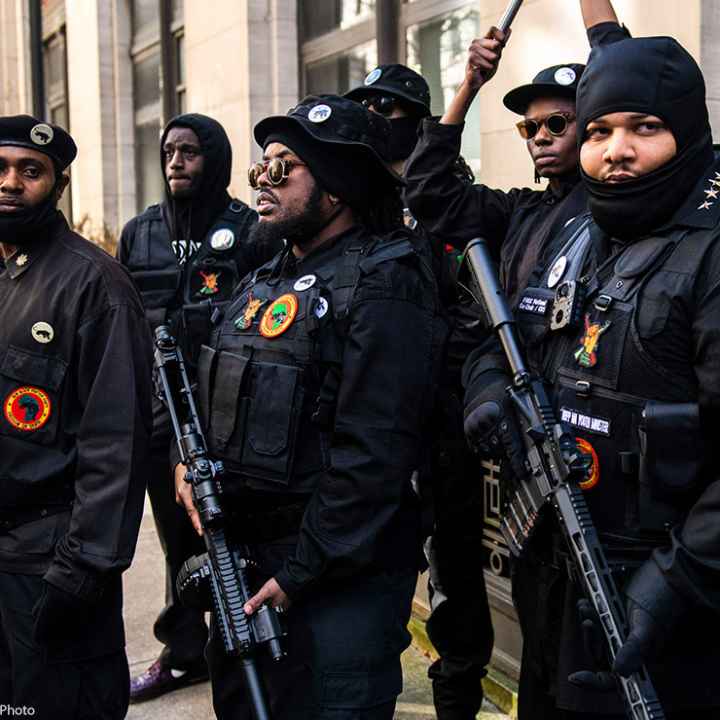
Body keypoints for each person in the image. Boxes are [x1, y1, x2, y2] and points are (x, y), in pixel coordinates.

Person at [464, 2, 720, 716]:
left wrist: (672, 581)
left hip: (676, 592)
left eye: (646, 128)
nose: (617, 151)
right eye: (601, 130)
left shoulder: (708, 253)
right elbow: (505, 342)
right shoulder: (581, 235)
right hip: (560, 559)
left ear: (687, 133)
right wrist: (487, 393)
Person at [174, 94, 443, 719]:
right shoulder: (262, 276)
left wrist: (298, 576)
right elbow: (201, 392)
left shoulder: (386, 279)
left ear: (340, 186)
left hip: (333, 580)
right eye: (261, 166)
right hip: (247, 562)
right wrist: (185, 467)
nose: (264, 180)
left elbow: (372, 456)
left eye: (285, 166)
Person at [347, 65, 494, 720]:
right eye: (368, 107)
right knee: (376, 563)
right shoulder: (354, 200)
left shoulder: (452, 196)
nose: (378, 118)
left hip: (445, 416)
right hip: (380, 415)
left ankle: (456, 699)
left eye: (390, 108)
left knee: (457, 576)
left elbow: (470, 302)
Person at [118, 112, 279, 702]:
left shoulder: (250, 228)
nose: (176, 162)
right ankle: (183, 651)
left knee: (239, 536)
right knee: (178, 541)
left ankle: (248, 642)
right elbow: (127, 325)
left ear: (215, 158)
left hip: (232, 414)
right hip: (165, 419)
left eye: (190, 151)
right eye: (169, 151)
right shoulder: (141, 233)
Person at [0, 115, 152, 719]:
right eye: (0, 169)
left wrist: (84, 568)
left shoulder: (96, 285)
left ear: (59, 184)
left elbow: (117, 441)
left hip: (52, 564)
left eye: (29, 171)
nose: (10, 183)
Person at [405, 33, 587, 306]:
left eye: (557, 123)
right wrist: (469, 87)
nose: (540, 137)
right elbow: (427, 191)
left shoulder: (616, 208)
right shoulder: (520, 211)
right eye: (530, 127)